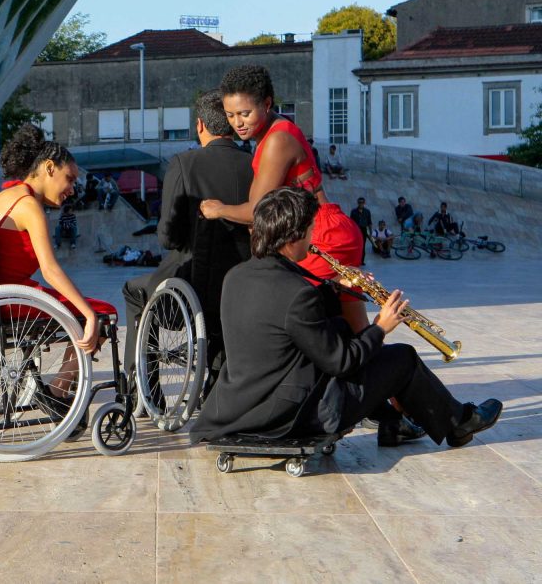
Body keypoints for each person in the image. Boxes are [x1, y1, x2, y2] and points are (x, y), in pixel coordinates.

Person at [190, 187, 503, 448]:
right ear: (293, 237)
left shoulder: (236, 276)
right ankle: (458, 423)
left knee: (342, 329)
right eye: (310, 230)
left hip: (242, 407)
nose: (313, 237)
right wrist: (380, 328)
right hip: (291, 416)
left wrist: (332, 288)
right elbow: (342, 362)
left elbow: (281, 322)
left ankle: (393, 423)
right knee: (402, 358)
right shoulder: (297, 294)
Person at [199, 65, 367, 333]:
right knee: (357, 331)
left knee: (302, 325)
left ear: (267, 104)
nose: (237, 123)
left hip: (318, 235)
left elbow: (256, 211)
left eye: (245, 113)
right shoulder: (277, 129)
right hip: (328, 229)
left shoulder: (277, 140)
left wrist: (217, 209)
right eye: (230, 115)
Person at [122, 90, 252, 399]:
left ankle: (144, 387)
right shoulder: (254, 165)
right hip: (239, 286)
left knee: (133, 292)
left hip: (190, 285)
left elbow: (167, 236)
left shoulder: (184, 163)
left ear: (200, 125)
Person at [0, 125, 117, 416]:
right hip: (14, 300)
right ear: (48, 168)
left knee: (87, 310)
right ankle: (58, 392)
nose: (72, 189)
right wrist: (88, 314)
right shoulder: (28, 206)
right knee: (104, 313)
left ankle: (58, 391)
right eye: (69, 179)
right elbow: (50, 270)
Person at [349, 197, 373, 265]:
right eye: (359, 202)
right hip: (356, 230)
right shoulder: (353, 211)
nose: (361, 204)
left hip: (363, 229)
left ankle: (361, 261)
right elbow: (351, 222)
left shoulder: (367, 211)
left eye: (362, 202)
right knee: (355, 245)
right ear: (358, 203)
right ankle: (354, 260)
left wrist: (370, 232)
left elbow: (369, 222)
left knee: (363, 245)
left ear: (364, 203)